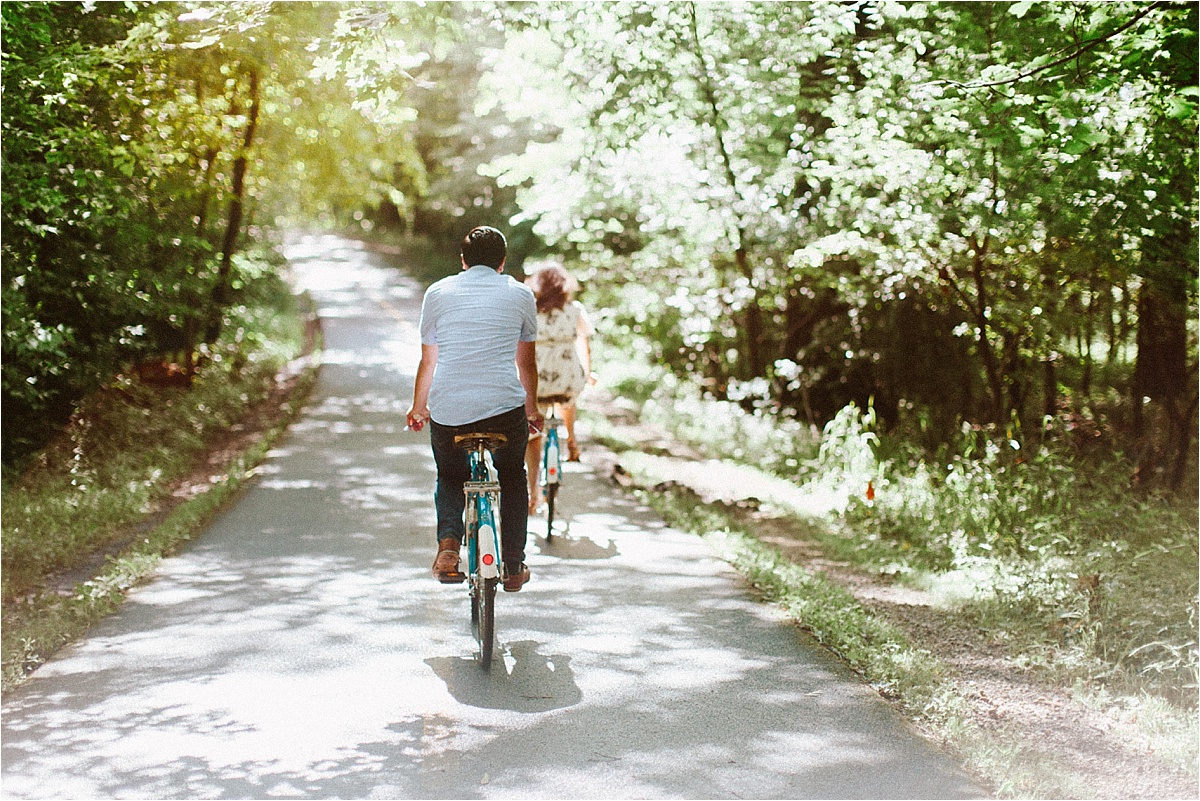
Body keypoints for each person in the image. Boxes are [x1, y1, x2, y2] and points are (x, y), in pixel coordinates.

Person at [406, 226, 543, 592]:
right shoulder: (520, 294)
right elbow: (526, 365)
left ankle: (449, 545)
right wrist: (532, 411)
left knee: (450, 474)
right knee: (512, 475)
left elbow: (428, 362)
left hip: (450, 410)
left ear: (463, 261)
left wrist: (419, 408)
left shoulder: (438, 292)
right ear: (502, 262)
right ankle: (513, 563)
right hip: (504, 409)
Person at [523, 264, 595, 512]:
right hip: (566, 375)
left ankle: (533, 491)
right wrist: (589, 371)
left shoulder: (529, 311)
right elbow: (585, 344)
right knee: (570, 397)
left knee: (534, 432)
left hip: (537, 379)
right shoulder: (574, 310)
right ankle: (572, 441)